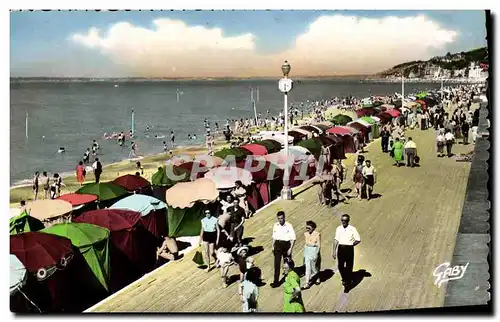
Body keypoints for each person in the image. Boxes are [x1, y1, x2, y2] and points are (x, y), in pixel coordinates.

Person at [333, 214, 361, 287]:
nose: (343, 222)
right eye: (342, 220)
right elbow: (336, 240)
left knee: (349, 266)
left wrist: (351, 244)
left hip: (349, 248)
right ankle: (344, 278)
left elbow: (358, 239)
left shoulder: (352, 229)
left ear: (348, 221)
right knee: (340, 266)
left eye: (345, 220)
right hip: (341, 248)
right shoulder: (338, 228)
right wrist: (334, 251)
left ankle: (347, 281)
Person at [271, 211, 296, 288]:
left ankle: (290, 279)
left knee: (287, 263)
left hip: (286, 245)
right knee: (277, 263)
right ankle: (276, 281)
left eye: (281, 218)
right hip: (278, 245)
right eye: (279, 218)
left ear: (284, 217)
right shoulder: (276, 225)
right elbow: (274, 236)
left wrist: (290, 249)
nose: (280, 220)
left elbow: (293, 238)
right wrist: (272, 246)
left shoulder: (289, 225)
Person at [303, 220, 321, 289]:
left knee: (315, 267)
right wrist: (304, 255)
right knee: (308, 267)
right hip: (307, 252)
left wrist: (316, 254)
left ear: (313, 228)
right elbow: (305, 244)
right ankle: (307, 283)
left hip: (314, 252)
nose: (307, 229)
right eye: (307, 228)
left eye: (309, 228)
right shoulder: (306, 234)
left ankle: (317, 277)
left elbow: (318, 245)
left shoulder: (317, 234)